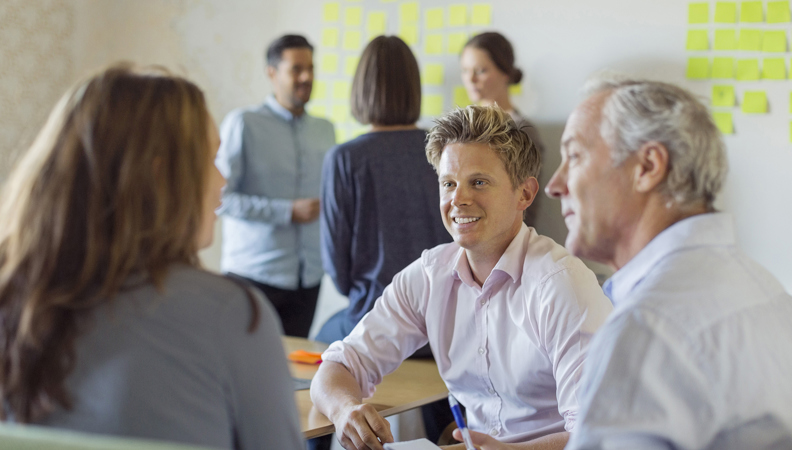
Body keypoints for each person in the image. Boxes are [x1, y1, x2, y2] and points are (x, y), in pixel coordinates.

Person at [455, 78, 792, 449]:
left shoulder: (647, 329)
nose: (555, 184)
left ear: (647, 166)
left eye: (576, 156)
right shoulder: (763, 288)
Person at [0, 64, 304, 450]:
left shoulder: (7, 298)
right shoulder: (231, 315)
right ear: (159, 176)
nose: (221, 181)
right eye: (210, 161)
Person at [310, 105, 613, 450]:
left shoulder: (561, 285)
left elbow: (597, 435)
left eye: (479, 182)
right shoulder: (428, 277)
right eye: (448, 183)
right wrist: (345, 409)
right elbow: (338, 367)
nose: (458, 199)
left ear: (525, 194)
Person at [317, 35, 451, 345]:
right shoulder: (447, 149)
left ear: (360, 88)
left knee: (318, 343)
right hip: (445, 323)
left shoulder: (345, 159)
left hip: (375, 321)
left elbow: (338, 271)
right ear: (413, 89)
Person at [217, 34, 336, 338]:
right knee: (243, 372)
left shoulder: (325, 130)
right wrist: (287, 211)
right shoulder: (243, 124)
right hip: (254, 274)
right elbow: (220, 198)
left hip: (307, 277)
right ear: (272, 73)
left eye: (310, 68)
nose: (307, 77)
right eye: (296, 69)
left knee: (293, 375)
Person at [460, 32, 545, 228]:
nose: (470, 79)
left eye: (480, 70)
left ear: (505, 72)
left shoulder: (522, 130)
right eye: (465, 70)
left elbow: (525, 209)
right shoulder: (461, 127)